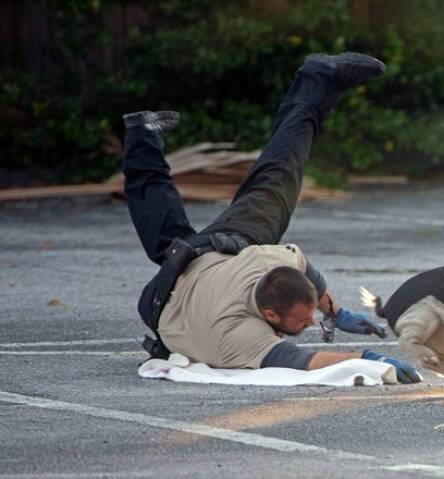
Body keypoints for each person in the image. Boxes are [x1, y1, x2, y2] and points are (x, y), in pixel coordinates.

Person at [122, 52, 421, 384]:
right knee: (273, 177)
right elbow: (300, 360)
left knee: (275, 175)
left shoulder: (267, 260)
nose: (311, 324)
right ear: (269, 315)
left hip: (183, 281)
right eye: (304, 320)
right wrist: (368, 360)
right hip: (180, 282)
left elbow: (304, 268)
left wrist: (334, 312)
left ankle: (143, 133)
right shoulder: (239, 335)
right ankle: (143, 132)